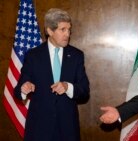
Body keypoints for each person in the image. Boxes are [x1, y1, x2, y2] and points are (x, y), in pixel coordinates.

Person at [14, 8, 90, 141]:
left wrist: (68, 87)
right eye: (63, 29)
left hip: (67, 129)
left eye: (69, 29)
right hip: (39, 128)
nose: (68, 34)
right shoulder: (33, 56)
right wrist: (24, 88)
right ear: (49, 31)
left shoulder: (77, 56)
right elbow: (18, 89)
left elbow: (84, 92)